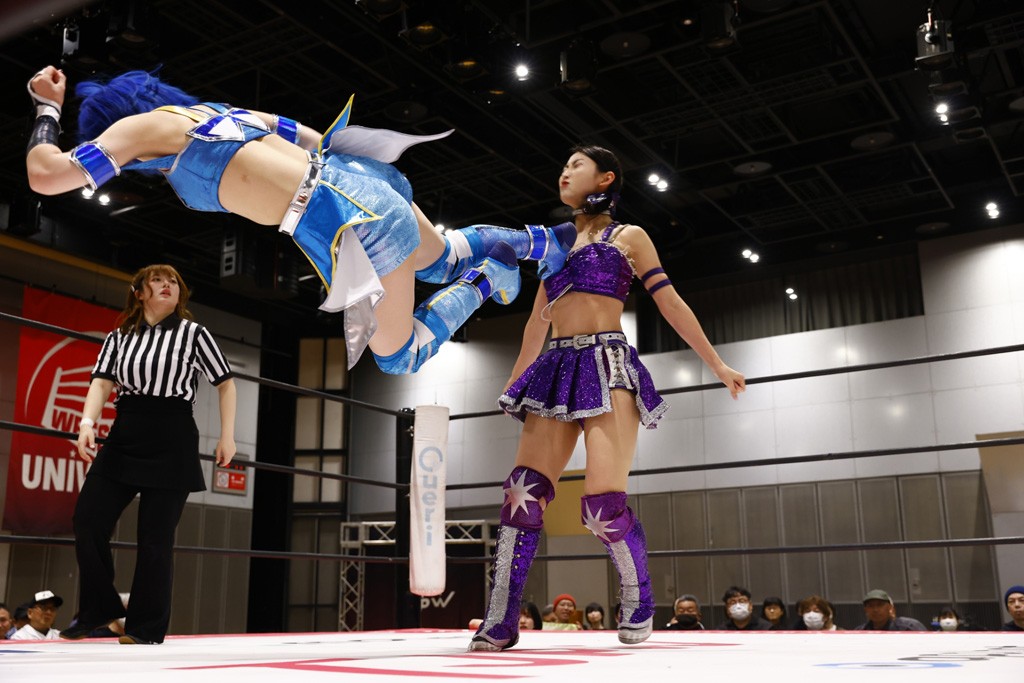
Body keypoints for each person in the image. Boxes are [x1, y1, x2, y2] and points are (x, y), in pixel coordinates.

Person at [24, 66, 577, 374]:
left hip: (349, 219)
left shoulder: (139, 130)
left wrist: (47, 108)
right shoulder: (218, 112)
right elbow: (310, 137)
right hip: (359, 180)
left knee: (397, 356)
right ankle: (540, 241)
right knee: (442, 259)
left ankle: (491, 276)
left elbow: (45, 175)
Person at [468, 145, 744, 652]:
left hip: (607, 363)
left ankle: (638, 598)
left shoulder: (628, 237)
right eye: (563, 164)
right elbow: (535, 324)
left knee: (602, 506)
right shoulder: (552, 244)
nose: (564, 172)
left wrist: (717, 364)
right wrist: (514, 382)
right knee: (522, 492)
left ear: (606, 178)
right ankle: (501, 617)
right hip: (555, 367)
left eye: (576, 164)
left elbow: (669, 301)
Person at [55, 264, 235, 646]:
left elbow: (225, 383)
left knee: (155, 538)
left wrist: (227, 436)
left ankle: (145, 628)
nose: (167, 285)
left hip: (173, 435)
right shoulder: (119, 336)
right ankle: (98, 609)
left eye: (173, 281)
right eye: (157, 280)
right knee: (88, 519)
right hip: (126, 431)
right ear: (139, 292)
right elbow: (101, 383)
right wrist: (86, 423)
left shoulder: (193, 334)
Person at [854, 589, 927, 631]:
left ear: (890, 607)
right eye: (870, 606)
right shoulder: (860, 632)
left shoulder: (909, 627)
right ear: (865, 610)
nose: (875, 609)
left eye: (880, 605)